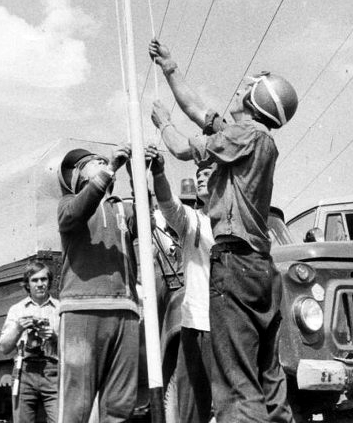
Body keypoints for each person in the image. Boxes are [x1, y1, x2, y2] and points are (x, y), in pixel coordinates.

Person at [149, 38, 298, 423]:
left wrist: (162, 123)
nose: (238, 88)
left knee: (236, 389)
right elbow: (197, 109)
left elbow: (182, 148)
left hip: (234, 264)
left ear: (255, 101)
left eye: (246, 86)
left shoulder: (240, 137)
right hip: (261, 268)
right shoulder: (253, 137)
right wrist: (170, 69)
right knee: (269, 382)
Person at [56, 144, 140, 423]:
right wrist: (112, 167)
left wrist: (140, 172)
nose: (104, 163)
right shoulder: (68, 204)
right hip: (82, 309)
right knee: (76, 406)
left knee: (120, 406)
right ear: (78, 174)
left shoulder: (121, 208)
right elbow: (77, 212)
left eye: (105, 161)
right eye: (96, 162)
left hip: (125, 309)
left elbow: (148, 216)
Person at [146, 146, 214, 423]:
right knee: (188, 410)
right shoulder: (194, 221)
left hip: (230, 327)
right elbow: (168, 204)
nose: (200, 176)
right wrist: (159, 172)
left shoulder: (240, 224)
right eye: (199, 171)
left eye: (208, 172)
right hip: (196, 323)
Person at [0, 259, 59, 423]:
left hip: (53, 370)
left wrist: (54, 337)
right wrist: (18, 328)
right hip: (24, 370)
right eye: (34, 280)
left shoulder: (60, 309)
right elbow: (4, 347)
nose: (40, 284)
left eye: (43, 279)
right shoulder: (17, 309)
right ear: (27, 284)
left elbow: (71, 348)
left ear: (49, 281)